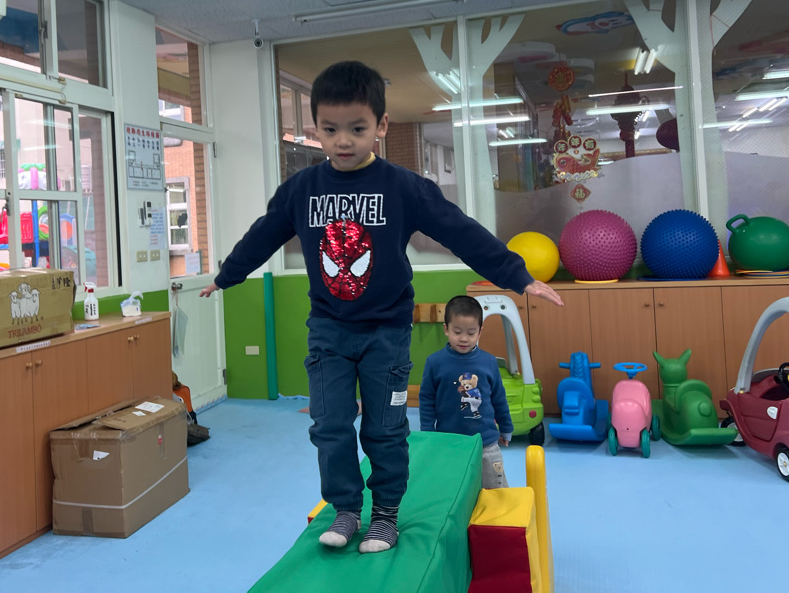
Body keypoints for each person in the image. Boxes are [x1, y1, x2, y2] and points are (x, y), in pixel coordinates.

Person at [200, 60, 563, 554]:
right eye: (330, 129)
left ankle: (386, 514)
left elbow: (460, 231)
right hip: (328, 328)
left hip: (386, 333)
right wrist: (228, 274)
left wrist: (517, 276)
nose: (342, 141)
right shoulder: (302, 190)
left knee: (385, 428)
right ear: (315, 129)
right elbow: (263, 235)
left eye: (357, 128)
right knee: (329, 425)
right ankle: (346, 509)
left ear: (381, 126)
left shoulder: (402, 187)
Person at [419, 295, 515, 489]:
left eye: (471, 333)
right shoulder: (435, 362)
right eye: (457, 332)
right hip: (449, 441)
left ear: (480, 332)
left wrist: (506, 427)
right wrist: (428, 432)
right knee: (453, 489)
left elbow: (499, 398)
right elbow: (427, 399)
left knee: (495, 490)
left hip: (486, 442)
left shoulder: (489, 362)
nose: (464, 338)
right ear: (446, 329)